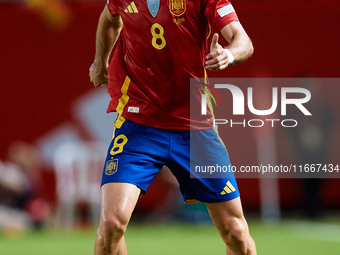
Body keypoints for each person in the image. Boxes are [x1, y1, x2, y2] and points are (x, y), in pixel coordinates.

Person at [89, 0, 256, 254]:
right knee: (111, 224)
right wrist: (101, 62)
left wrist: (229, 53)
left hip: (194, 128)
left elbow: (242, 39)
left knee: (236, 232)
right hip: (138, 125)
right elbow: (109, 18)